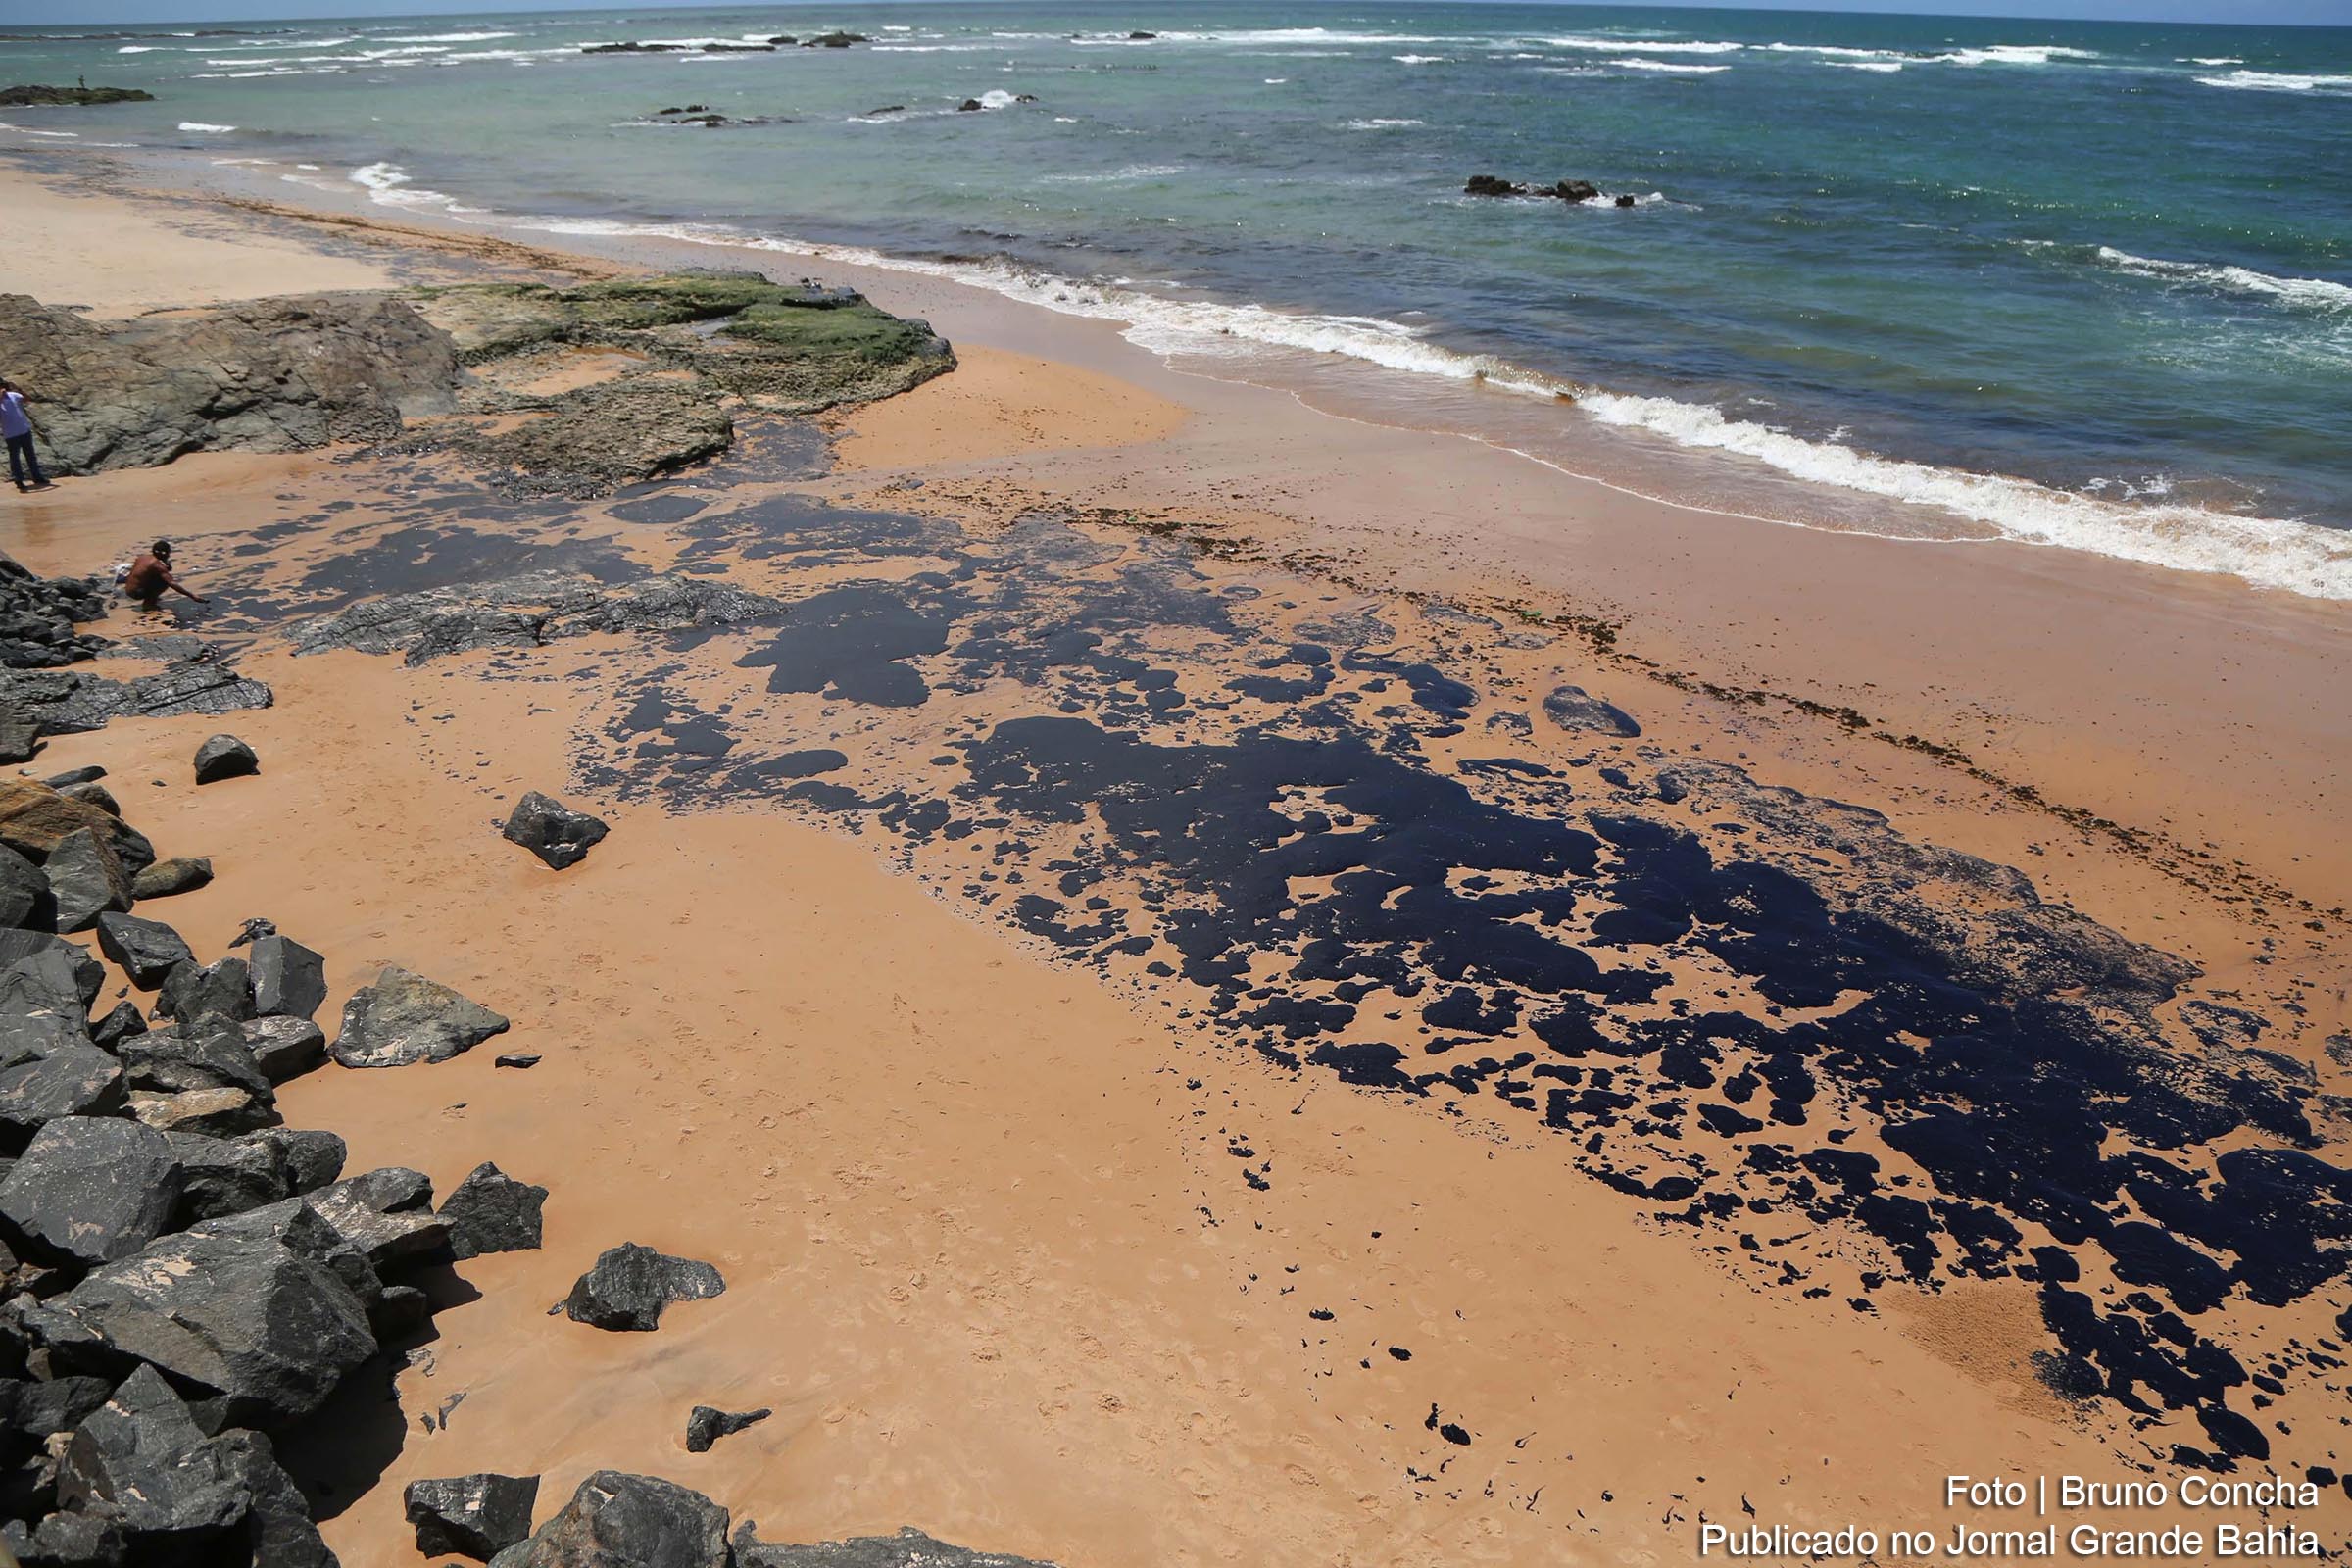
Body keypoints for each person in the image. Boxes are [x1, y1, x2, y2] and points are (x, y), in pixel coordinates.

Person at [122, 541, 209, 612]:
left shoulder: (143, 557)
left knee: (159, 577)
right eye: (168, 553)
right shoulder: (156, 565)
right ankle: (149, 605)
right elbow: (172, 583)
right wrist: (192, 596)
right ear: (164, 553)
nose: (169, 555)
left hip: (129, 589)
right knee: (164, 581)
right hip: (136, 593)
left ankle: (151, 597)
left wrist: (165, 563)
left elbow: (142, 572)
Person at [0, 380, 49, 493]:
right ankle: (19, 480)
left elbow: (28, 399)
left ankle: (37, 477)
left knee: (30, 455)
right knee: (15, 458)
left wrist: (19, 389)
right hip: (11, 434)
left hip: (24, 430)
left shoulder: (14, 395)